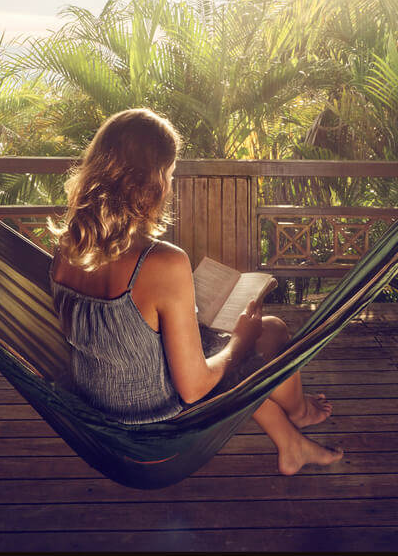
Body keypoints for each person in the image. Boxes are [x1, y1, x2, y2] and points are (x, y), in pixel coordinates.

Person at [48, 108, 343, 475]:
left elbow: (118, 333)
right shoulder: (162, 262)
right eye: (169, 176)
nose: (170, 187)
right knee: (265, 335)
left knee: (260, 331)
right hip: (155, 436)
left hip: (98, 419)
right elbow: (194, 389)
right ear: (149, 182)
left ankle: (291, 440)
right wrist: (238, 341)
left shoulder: (67, 248)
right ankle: (297, 413)